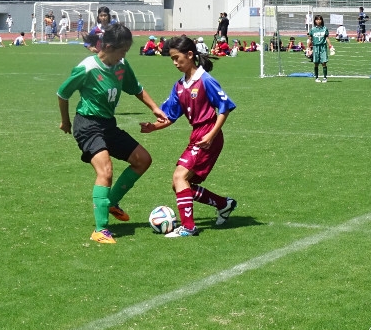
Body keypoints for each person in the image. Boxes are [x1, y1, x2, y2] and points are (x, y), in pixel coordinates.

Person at [57, 23, 167, 244]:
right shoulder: (87, 68)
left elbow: (135, 87)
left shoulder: (121, 65)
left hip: (108, 124)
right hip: (87, 125)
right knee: (105, 170)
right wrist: (65, 121)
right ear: (107, 46)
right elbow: (62, 93)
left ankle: (112, 202)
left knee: (142, 160)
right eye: (122, 51)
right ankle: (100, 230)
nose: (124, 56)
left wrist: (154, 108)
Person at [140, 35, 237, 237]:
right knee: (179, 184)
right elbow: (170, 116)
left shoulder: (205, 80)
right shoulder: (180, 86)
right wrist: (153, 127)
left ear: (190, 55)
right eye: (172, 59)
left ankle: (188, 227)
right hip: (198, 135)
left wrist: (211, 134)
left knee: (179, 177)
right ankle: (223, 204)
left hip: (208, 134)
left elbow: (225, 108)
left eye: (177, 58)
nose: (175, 63)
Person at [308, 15, 334, 83]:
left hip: (323, 47)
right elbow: (310, 39)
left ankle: (325, 78)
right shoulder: (313, 29)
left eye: (320, 19)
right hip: (315, 47)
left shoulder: (325, 29)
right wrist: (308, 48)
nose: (318, 21)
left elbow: (327, 38)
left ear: (322, 20)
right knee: (316, 63)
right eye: (317, 20)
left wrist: (330, 46)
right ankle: (316, 78)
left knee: (324, 62)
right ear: (315, 21)